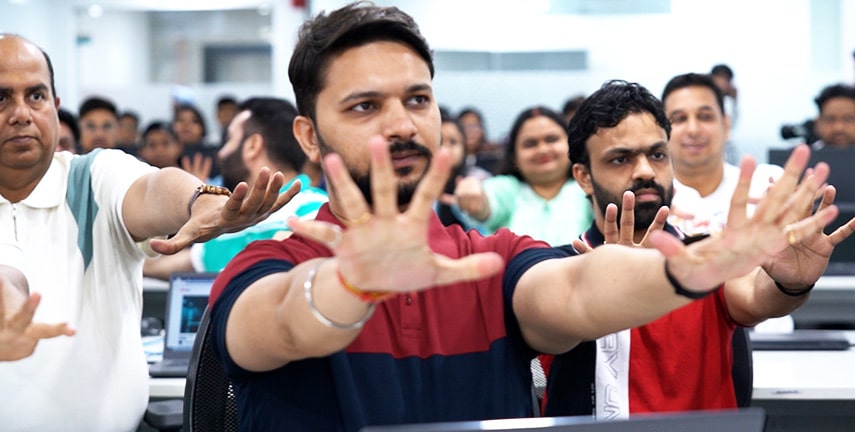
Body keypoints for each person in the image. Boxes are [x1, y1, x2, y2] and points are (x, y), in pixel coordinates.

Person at [206, 3, 843, 430]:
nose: (401, 124)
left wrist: (699, 265)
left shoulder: (495, 260)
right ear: (310, 137)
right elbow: (283, 325)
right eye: (365, 107)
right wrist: (350, 284)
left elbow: (575, 292)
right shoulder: (267, 265)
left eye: (418, 99)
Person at [0, 33, 294, 431]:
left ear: (54, 105)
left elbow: (153, 189)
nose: (21, 113)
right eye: (1, 98)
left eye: (35, 96)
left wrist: (201, 200)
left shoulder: (92, 178)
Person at [541, 80, 855, 418]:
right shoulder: (558, 269)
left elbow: (755, 296)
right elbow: (551, 327)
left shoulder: (704, 258)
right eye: (621, 159)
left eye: (657, 154)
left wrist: (792, 283)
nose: (646, 171)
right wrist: (613, 282)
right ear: (584, 177)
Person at [143, 97, 328, 279]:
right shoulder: (227, 222)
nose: (221, 153)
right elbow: (180, 263)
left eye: (230, 139)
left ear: (252, 146)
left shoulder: (318, 213)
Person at [663, 72, 783, 236]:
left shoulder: (764, 184)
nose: (693, 130)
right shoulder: (651, 199)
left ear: (726, 125)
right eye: (680, 119)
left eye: (705, 117)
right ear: (661, 131)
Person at [453, 106, 592, 245]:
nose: (542, 150)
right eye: (530, 144)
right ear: (514, 156)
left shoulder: (587, 188)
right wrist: (474, 198)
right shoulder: (507, 188)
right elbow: (487, 204)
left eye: (551, 139)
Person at [436, 107, 489, 227]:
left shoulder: (479, 180)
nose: (445, 148)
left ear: (464, 147)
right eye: (440, 141)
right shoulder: (414, 184)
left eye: (453, 142)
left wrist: (475, 208)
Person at [458, 106, 503, 174]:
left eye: (474, 126)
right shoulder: (453, 160)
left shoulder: (493, 159)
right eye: (464, 126)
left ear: (482, 130)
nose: (469, 131)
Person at [811, 83, 855, 149]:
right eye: (829, 120)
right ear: (817, 123)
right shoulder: (806, 157)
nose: (838, 128)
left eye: (849, 119)